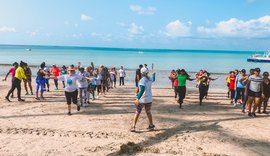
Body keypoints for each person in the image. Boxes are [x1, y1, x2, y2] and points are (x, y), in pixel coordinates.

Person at [131, 66, 156, 132]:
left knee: (137, 112)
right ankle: (151, 125)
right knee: (148, 112)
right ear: (147, 73)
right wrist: (154, 73)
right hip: (149, 99)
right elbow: (153, 78)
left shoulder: (142, 80)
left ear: (141, 73)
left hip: (142, 99)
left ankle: (133, 126)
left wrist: (137, 98)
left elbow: (141, 90)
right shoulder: (150, 79)